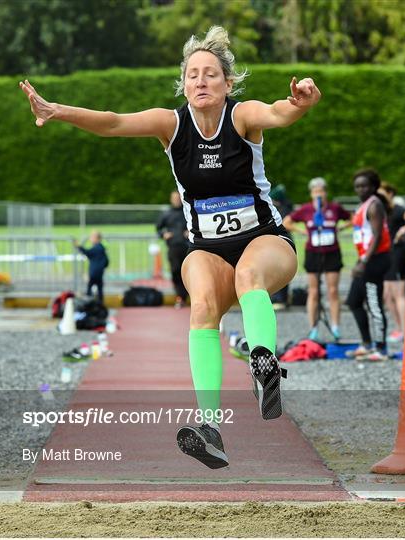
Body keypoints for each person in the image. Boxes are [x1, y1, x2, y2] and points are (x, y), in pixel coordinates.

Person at [20, 26, 321, 469]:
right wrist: (59, 110)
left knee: (249, 275)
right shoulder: (171, 124)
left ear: (228, 83)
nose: (201, 81)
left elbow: (278, 112)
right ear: (183, 84)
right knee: (201, 306)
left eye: (211, 75)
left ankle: (264, 364)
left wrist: (301, 104)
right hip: (208, 250)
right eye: (193, 75)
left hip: (265, 242)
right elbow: (113, 121)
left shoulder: (242, 117)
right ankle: (210, 427)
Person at [283, 177, 351, 340]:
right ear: (311, 194)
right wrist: (303, 232)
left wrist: (340, 227)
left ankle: (335, 326)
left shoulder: (335, 208)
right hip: (313, 252)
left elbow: (352, 218)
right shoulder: (306, 210)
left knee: (332, 290)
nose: (319, 194)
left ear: (325, 192)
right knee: (313, 291)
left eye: (321, 191)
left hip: (332, 252)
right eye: (315, 191)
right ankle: (313, 328)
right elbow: (286, 222)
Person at [346, 169, 391, 361]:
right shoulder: (363, 205)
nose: (360, 189)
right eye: (357, 186)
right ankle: (366, 344)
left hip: (375, 259)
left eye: (364, 186)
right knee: (354, 301)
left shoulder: (374, 205)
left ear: (373, 187)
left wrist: (363, 262)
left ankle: (381, 349)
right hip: (365, 258)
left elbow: (378, 235)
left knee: (374, 304)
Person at [379, 183, 405, 343]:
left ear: (390, 194)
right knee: (387, 295)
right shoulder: (382, 212)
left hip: (397, 254)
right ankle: (399, 328)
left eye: (382, 194)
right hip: (385, 255)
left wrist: (403, 231)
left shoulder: (397, 209)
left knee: (398, 294)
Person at [156, 190, 189, 308]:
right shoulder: (166, 214)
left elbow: (197, 225)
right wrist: (163, 234)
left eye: (178, 198)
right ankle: (180, 297)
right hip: (173, 247)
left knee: (187, 272)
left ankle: (185, 296)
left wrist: (190, 232)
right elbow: (158, 230)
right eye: (174, 198)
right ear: (171, 199)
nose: (176, 200)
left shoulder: (187, 211)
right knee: (175, 271)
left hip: (188, 247)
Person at [269, 184, 293, 308]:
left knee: (280, 270)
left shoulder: (282, 208)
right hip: (280, 241)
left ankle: (280, 299)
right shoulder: (286, 206)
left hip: (281, 241)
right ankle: (278, 298)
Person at [73, 231, 109, 304]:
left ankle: (89, 303)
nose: (90, 239)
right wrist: (102, 267)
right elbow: (106, 261)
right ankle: (100, 303)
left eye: (91, 237)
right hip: (99, 271)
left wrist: (79, 246)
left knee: (90, 287)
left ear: (96, 238)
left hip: (94, 271)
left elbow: (87, 252)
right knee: (99, 288)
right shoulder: (101, 248)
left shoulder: (97, 248)